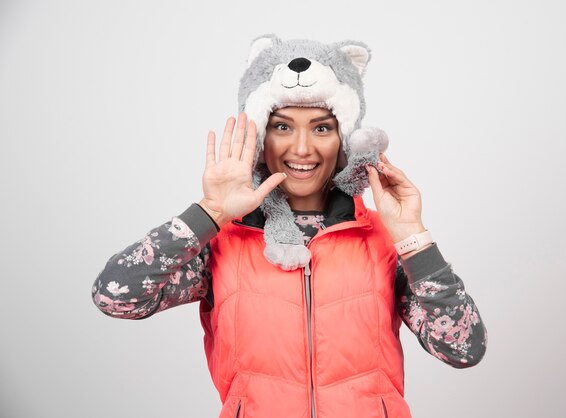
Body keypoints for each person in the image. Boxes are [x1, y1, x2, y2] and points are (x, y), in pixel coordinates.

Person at [92, 35, 487, 418]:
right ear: (260, 136)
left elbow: (463, 349)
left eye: (321, 127)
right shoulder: (222, 242)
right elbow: (116, 296)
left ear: (344, 140)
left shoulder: (384, 240)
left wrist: (412, 238)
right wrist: (210, 212)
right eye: (282, 126)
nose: (301, 149)